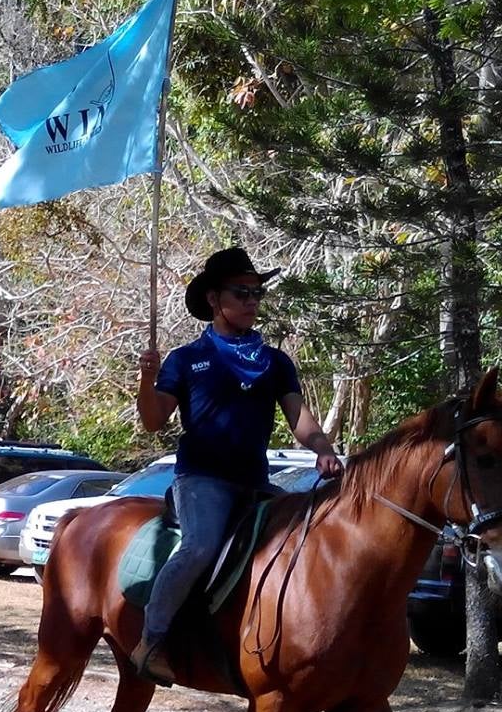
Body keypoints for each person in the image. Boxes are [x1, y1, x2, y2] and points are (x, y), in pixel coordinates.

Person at [129, 247, 344, 685]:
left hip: (255, 482)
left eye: (257, 293)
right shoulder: (186, 359)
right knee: (200, 547)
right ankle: (151, 638)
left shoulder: (276, 362)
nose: (252, 301)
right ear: (213, 299)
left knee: (304, 539)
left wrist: (322, 447)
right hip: (202, 480)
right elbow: (153, 422)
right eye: (241, 292)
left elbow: (298, 418)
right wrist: (145, 380)